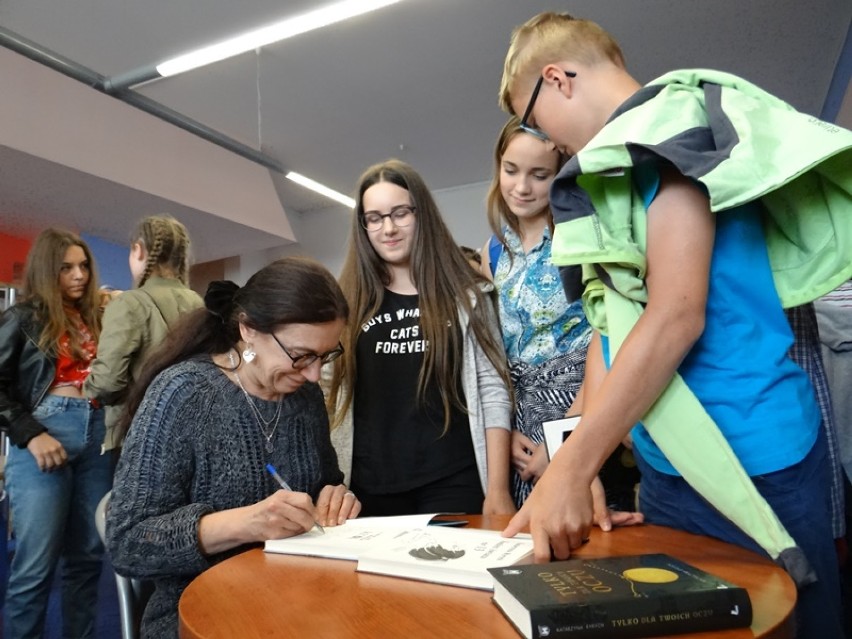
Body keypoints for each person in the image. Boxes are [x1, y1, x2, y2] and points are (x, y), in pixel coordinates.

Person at [497, 12, 851, 638]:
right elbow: (612, 331)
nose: (545, 141)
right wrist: (580, 461)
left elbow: (676, 316)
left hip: (753, 453)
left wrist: (573, 470)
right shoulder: (608, 176)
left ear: (556, 79)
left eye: (532, 120)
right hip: (664, 468)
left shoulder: (672, 125)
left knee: (793, 626)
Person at [106, 257, 361, 639]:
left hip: (298, 601)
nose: (312, 374)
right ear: (249, 329)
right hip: (200, 615)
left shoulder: (303, 398)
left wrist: (335, 497)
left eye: (325, 356)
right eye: (301, 355)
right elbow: (128, 543)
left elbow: (326, 482)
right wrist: (244, 524)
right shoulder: (183, 394)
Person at [326, 159, 515, 517]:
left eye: (400, 213)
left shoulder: (468, 295)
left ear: (421, 213)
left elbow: (493, 390)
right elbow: (326, 395)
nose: (389, 228)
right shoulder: (346, 302)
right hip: (369, 487)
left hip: (454, 480)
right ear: (363, 226)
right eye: (375, 218)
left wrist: (498, 490)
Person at [480, 115, 623, 509]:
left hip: (586, 412)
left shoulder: (584, 238)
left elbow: (609, 343)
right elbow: (494, 362)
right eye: (511, 170)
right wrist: (506, 434)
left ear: (562, 174)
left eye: (539, 175)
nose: (521, 187)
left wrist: (564, 440)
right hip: (519, 425)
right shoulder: (493, 252)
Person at [0, 228, 111, 638]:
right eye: (66, 268)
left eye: (83, 265)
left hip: (98, 435)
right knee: (35, 567)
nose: (79, 275)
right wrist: (30, 434)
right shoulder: (23, 316)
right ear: (48, 270)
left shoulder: (98, 318)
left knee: (86, 562)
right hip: (46, 435)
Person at [85, 214, 203, 455]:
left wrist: (86, 388)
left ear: (138, 250)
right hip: (189, 434)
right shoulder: (199, 304)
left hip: (137, 434)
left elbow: (108, 382)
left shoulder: (128, 303)